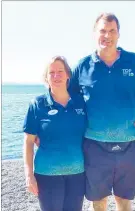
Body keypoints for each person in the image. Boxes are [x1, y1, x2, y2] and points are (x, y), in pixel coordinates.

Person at [69, 13, 135, 211]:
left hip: (130, 146)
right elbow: (70, 106)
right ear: (94, 34)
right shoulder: (83, 66)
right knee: (98, 202)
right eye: (102, 30)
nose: (106, 36)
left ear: (118, 35)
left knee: (124, 201)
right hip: (94, 146)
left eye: (111, 31)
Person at [23, 56, 87, 211]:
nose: (56, 76)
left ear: (68, 75)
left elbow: (99, 122)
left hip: (77, 173)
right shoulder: (37, 105)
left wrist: (131, 120)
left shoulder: (81, 102)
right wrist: (29, 175)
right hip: (47, 174)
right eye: (52, 73)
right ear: (46, 77)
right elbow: (28, 142)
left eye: (60, 71)